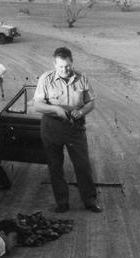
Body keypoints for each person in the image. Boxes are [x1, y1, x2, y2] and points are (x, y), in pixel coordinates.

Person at [34, 47, 101, 213]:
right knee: (55, 166)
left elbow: (90, 102)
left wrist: (82, 111)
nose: (65, 70)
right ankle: (62, 202)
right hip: (52, 127)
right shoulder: (45, 79)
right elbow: (37, 105)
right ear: (54, 64)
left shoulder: (82, 79)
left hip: (75, 127)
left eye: (68, 66)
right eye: (61, 66)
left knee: (82, 165)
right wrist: (56, 110)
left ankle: (90, 200)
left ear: (72, 62)